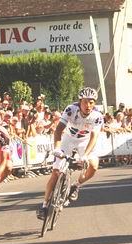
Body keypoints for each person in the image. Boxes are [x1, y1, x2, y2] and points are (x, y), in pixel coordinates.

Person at [36, 87, 103, 220]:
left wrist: (85, 156)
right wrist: (57, 148)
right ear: (80, 102)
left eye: (91, 102)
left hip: (84, 141)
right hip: (68, 139)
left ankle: (76, 185)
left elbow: (94, 138)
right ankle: (44, 206)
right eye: (85, 102)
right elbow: (59, 129)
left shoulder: (97, 116)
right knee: (55, 172)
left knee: (94, 166)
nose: (88, 105)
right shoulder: (71, 109)